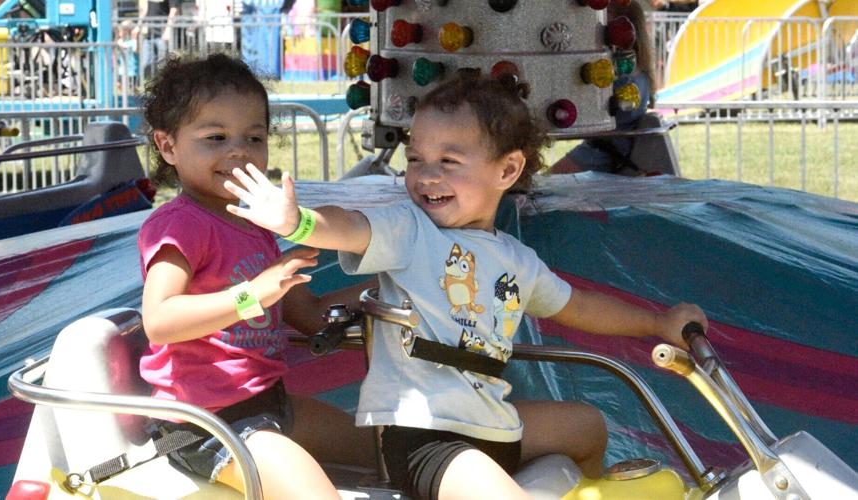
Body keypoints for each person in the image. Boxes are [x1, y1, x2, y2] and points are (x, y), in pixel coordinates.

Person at [224, 72, 709, 500]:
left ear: (507, 170)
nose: (425, 176)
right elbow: (349, 225)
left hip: (493, 422)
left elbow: (576, 305)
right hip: (427, 438)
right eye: (415, 159)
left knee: (587, 425)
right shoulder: (409, 232)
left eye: (449, 161)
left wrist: (657, 322)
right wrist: (300, 221)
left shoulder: (517, 259)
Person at [138, 53, 375, 498]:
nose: (238, 151)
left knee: (384, 451)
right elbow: (160, 320)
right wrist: (253, 294)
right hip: (206, 425)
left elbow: (311, 316)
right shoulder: (181, 225)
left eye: (254, 137)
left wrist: (386, 288)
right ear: (168, 146)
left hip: (268, 403)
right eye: (216, 137)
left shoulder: (253, 225)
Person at [551, 0, 657, 175]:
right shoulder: (641, 71)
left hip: (604, 152)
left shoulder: (619, 75)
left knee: (545, 185)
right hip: (612, 148)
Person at [134, 0, 181, 79]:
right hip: (149, 35)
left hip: (162, 35)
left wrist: (168, 30)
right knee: (146, 64)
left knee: (163, 65)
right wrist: (138, 26)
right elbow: (144, 10)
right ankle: (149, 87)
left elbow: (174, 10)